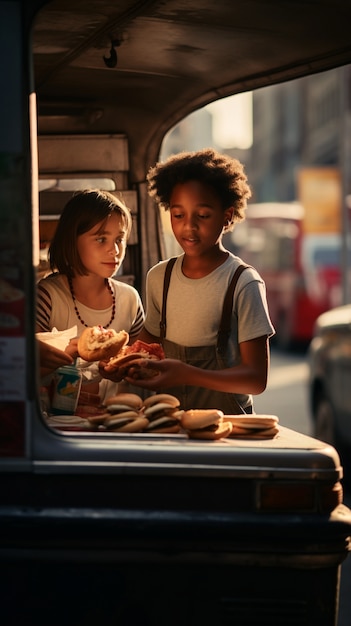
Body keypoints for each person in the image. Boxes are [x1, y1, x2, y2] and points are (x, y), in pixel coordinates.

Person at [112, 148, 275, 414]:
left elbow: (256, 379)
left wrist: (186, 374)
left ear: (227, 216)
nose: (189, 227)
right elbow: (144, 348)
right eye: (178, 215)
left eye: (203, 215)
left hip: (227, 428)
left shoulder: (243, 283)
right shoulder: (159, 278)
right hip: (168, 422)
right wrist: (121, 365)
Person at [36, 188, 145, 401]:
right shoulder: (47, 297)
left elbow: (136, 364)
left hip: (111, 422)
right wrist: (68, 352)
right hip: (54, 423)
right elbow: (24, 371)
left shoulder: (130, 299)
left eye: (119, 239)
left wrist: (123, 369)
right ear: (72, 239)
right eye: (101, 239)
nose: (115, 250)